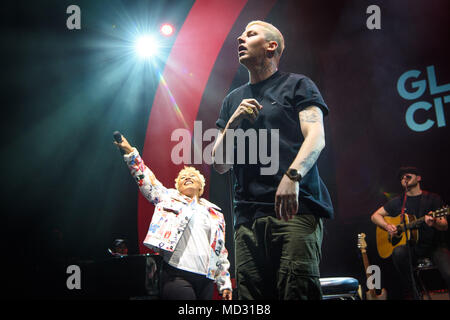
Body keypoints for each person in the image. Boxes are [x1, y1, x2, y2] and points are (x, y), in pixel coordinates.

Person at [212, 20, 334, 300]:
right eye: (241, 35)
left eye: (250, 34)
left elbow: (316, 137)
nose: (240, 39)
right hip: (247, 220)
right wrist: (232, 122)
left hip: (295, 211)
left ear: (271, 46)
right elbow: (220, 164)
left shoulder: (298, 85)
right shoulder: (233, 100)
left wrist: (293, 177)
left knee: (296, 292)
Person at [115, 134, 232, 300]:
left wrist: (224, 283)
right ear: (178, 187)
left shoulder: (215, 212)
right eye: (183, 177)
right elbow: (147, 180)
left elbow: (220, 249)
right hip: (177, 274)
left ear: (201, 187)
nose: (187, 178)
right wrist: (131, 153)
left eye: (192, 176)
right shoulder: (168, 197)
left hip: (206, 279)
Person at [371, 166, 450, 299]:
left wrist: (435, 222)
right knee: (398, 252)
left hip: (434, 246)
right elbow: (375, 216)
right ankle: (414, 294)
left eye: (408, 176)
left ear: (418, 178)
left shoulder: (432, 198)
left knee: (448, 273)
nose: (404, 179)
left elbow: (444, 226)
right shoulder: (398, 202)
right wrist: (387, 226)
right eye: (402, 178)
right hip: (412, 248)